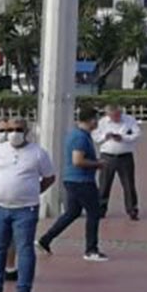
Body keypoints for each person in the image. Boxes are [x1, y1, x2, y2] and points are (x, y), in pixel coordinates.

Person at [0, 121, 55, 292]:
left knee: (24, 248)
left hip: (26, 209)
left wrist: (32, 191)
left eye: (18, 130)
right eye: (10, 130)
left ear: (26, 132)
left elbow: (49, 177)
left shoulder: (38, 152)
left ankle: (23, 290)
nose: (13, 133)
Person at [37, 107, 106, 263]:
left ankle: (45, 239)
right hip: (81, 181)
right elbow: (78, 160)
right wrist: (97, 164)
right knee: (94, 213)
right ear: (92, 120)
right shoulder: (79, 137)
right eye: (96, 119)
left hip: (73, 180)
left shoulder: (79, 134)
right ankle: (91, 249)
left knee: (72, 213)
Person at [95, 103, 141, 221]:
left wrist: (123, 138)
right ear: (108, 115)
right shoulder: (102, 122)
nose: (116, 118)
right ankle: (101, 208)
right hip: (107, 155)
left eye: (118, 115)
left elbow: (137, 134)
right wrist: (106, 136)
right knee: (104, 183)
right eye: (113, 116)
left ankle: (132, 209)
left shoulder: (129, 120)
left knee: (128, 184)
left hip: (125, 155)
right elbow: (95, 136)